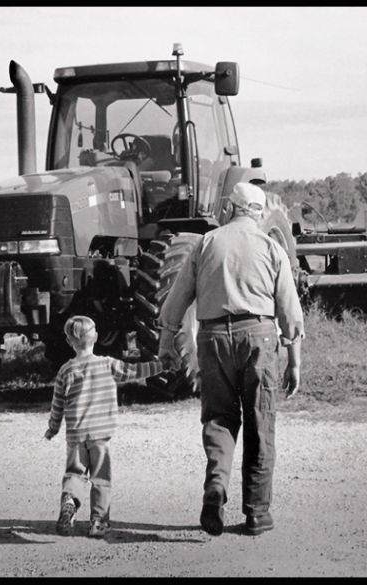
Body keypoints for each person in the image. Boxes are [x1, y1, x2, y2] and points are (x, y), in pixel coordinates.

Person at [157, 181, 304, 537]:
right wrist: (294, 361)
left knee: (220, 419)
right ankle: (256, 514)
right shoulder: (271, 247)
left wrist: (165, 342)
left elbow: (178, 299)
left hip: (211, 339)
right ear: (258, 212)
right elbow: (290, 311)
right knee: (259, 422)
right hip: (258, 336)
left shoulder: (206, 243)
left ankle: (215, 488)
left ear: (229, 209)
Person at [44, 315, 164, 538]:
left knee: (74, 473)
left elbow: (57, 404)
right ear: (96, 337)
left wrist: (53, 428)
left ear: (69, 341)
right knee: (101, 478)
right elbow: (135, 371)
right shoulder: (107, 364)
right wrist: (162, 365)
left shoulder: (65, 371)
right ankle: (98, 522)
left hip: (76, 435)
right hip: (100, 435)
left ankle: (69, 500)